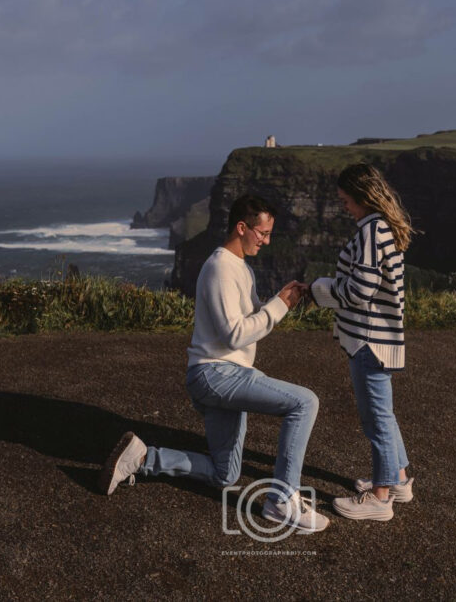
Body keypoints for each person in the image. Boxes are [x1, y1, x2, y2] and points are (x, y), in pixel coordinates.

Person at [98, 193, 329, 533]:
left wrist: (283, 302)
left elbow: (245, 323)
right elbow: (235, 335)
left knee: (226, 474)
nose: (266, 241)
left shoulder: (240, 269)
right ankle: (282, 499)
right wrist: (279, 306)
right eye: (262, 233)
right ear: (241, 227)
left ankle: (144, 458)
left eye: (268, 235)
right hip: (216, 374)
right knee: (305, 401)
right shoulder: (221, 266)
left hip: (223, 375)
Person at [310, 163, 415, 521]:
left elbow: (360, 290)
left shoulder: (372, 231)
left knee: (376, 420)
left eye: (345, 201)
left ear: (362, 197)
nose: (343, 207)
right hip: (381, 337)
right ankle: (398, 479)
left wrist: (318, 289)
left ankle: (380, 499)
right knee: (383, 415)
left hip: (369, 340)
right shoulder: (384, 227)